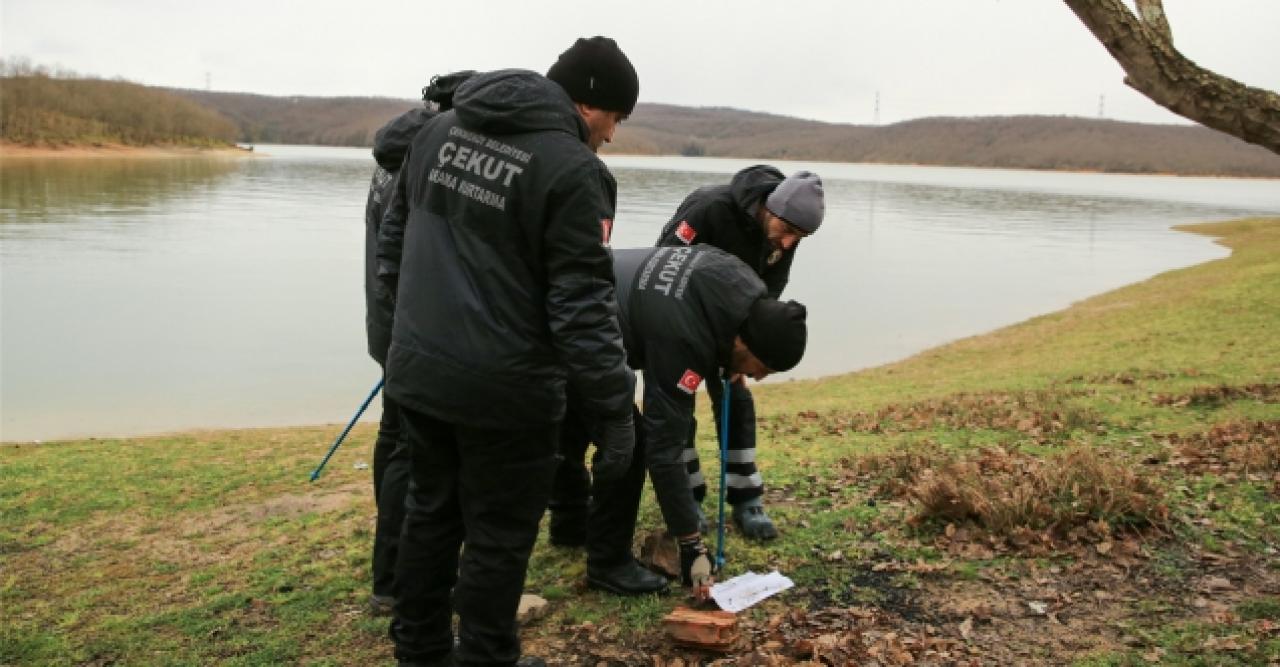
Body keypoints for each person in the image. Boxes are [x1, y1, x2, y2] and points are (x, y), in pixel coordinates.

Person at [375, 37, 640, 667]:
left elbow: (393, 244)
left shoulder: (437, 132)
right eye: (616, 118)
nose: (613, 134)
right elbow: (581, 306)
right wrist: (613, 411)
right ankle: (487, 654)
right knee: (498, 534)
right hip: (509, 394)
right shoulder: (575, 171)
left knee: (430, 513)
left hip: (420, 374)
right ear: (591, 103)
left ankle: (420, 651)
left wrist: (406, 339)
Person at [557, 245, 808, 595]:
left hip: (568, 293)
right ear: (746, 343)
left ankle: (569, 528)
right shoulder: (684, 336)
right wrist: (691, 546)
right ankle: (607, 563)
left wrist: (725, 360)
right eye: (762, 368)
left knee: (570, 424)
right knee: (630, 442)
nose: (759, 378)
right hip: (571, 329)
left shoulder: (742, 284)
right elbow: (666, 446)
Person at [655, 166, 825, 540]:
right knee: (679, 405)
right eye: (789, 231)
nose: (789, 244)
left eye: (801, 237)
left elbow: (768, 292)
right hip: (682, 321)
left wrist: (749, 346)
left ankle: (746, 497)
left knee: (737, 399)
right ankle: (688, 497)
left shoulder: (784, 235)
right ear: (770, 208)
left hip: (732, 330)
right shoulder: (708, 207)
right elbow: (661, 265)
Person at [363, 70, 474, 618]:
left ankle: (393, 574)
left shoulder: (397, 152)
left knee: (395, 443)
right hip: (414, 335)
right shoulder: (430, 158)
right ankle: (397, 582)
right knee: (411, 453)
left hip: (390, 330)